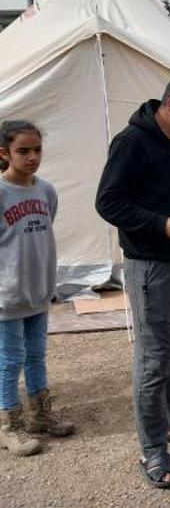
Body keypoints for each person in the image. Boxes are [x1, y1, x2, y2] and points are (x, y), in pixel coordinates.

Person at [95, 73, 170, 488]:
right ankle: (153, 448)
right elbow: (107, 202)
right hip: (150, 268)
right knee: (154, 359)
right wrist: (161, 225)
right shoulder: (132, 143)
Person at [0, 120, 74, 458]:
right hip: (7, 296)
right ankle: (10, 425)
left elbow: (43, 232)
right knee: (9, 359)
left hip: (38, 291)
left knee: (36, 355)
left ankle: (41, 413)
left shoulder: (46, 191)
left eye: (37, 150)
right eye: (23, 151)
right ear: (5, 153)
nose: (32, 157)